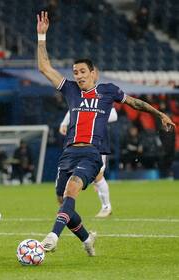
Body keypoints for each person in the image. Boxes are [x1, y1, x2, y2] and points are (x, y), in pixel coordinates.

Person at [36, 11, 175, 256]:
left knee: (71, 193)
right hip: (68, 152)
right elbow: (44, 66)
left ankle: (52, 236)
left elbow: (135, 103)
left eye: (82, 72)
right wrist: (41, 36)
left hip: (91, 154)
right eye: (75, 72)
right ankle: (87, 238)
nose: (77, 76)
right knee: (63, 202)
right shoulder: (70, 90)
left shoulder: (107, 91)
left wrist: (159, 114)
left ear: (94, 73)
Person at [59, 78, 118, 218]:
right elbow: (75, 110)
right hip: (82, 140)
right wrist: (64, 122)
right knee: (86, 175)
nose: (80, 77)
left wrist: (95, 116)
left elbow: (114, 115)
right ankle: (69, 207)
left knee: (98, 176)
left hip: (98, 141)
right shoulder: (79, 94)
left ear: (93, 75)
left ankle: (106, 207)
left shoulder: (103, 94)